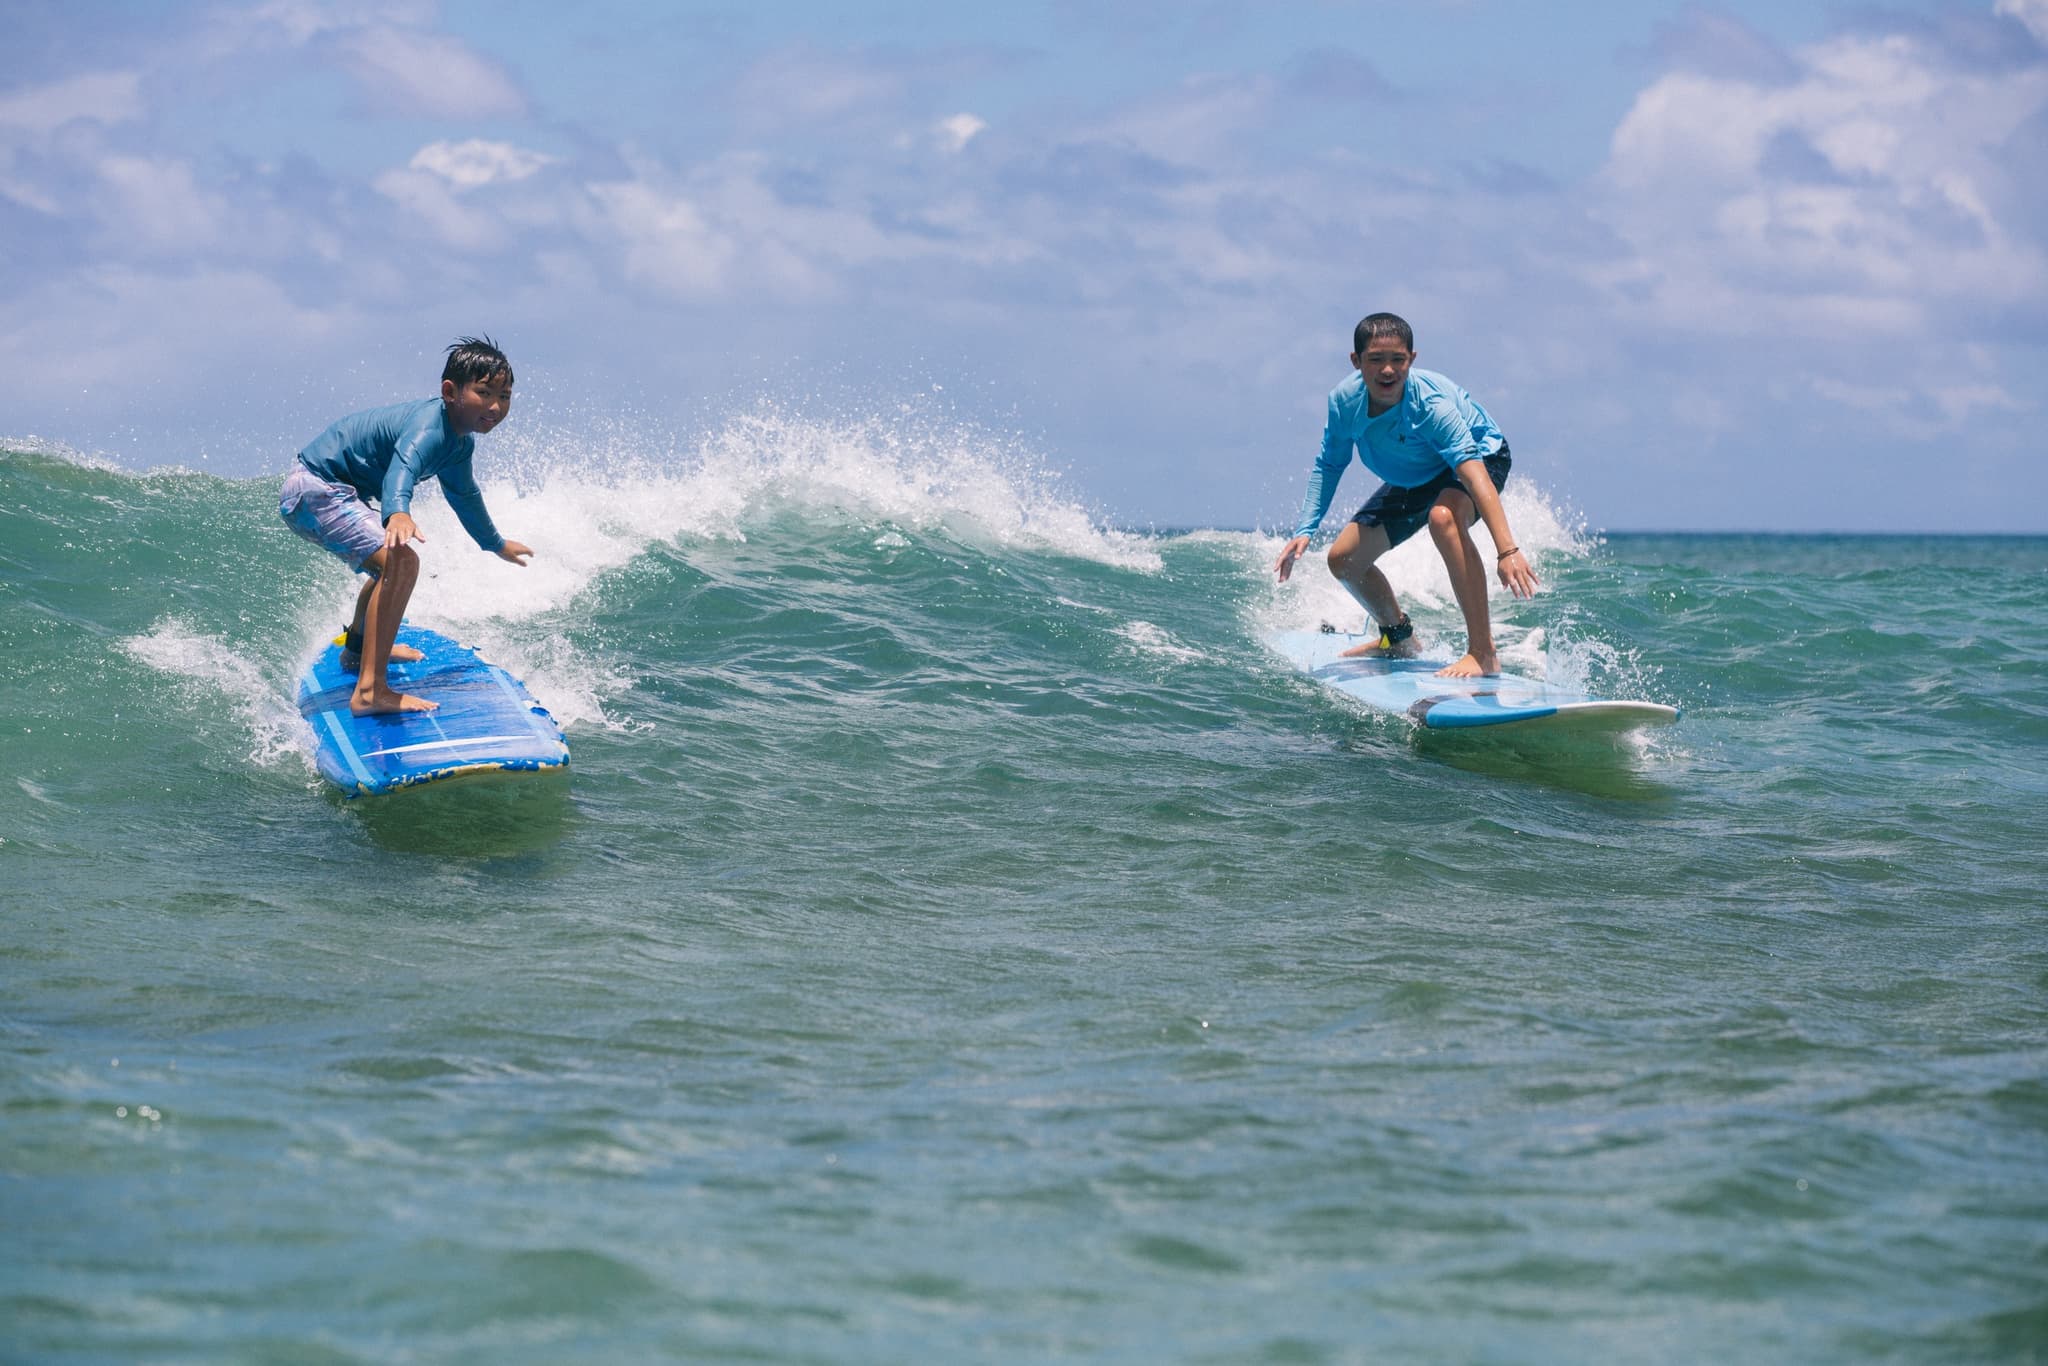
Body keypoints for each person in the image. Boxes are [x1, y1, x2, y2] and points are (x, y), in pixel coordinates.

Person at [1274, 313, 1538, 678]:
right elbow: (1329, 465)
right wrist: (1305, 529)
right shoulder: (1344, 404)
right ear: (1356, 362)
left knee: (1443, 519)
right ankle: (1397, 637)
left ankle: (1483, 652)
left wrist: (1507, 550)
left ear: (1412, 359)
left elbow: (1474, 474)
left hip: (1480, 454)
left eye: (1398, 360)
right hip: (1419, 471)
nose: (1387, 371)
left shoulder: (1430, 406)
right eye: (1375, 360)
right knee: (1344, 559)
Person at [278, 336, 533, 715]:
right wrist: (397, 512)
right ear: (450, 391)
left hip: (321, 490)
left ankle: (358, 651)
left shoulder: (458, 444)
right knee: (402, 563)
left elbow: (464, 496)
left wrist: (495, 543)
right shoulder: (430, 428)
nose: (496, 406)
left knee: (387, 567)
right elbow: (403, 468)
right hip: (317, 489)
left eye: (505, 395)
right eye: (484, 393)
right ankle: (369, 692)